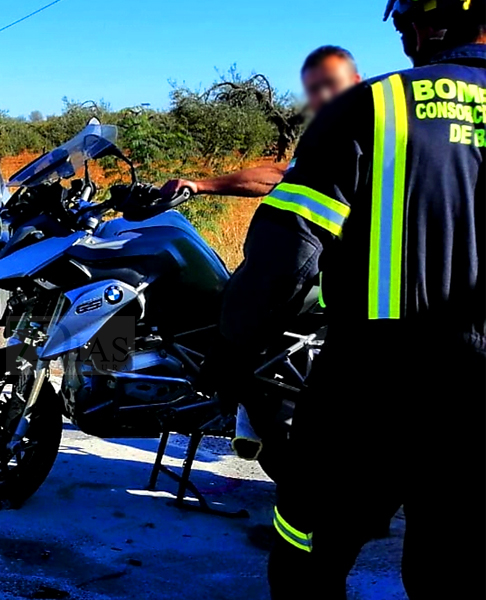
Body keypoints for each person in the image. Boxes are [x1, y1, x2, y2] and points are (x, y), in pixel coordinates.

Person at [217, 1, 485, 597]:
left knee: (306, 555)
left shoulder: (374, 108)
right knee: (452, 566)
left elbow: (288, 256)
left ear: (424, 23)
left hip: (371, 390)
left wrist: (233, 345)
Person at [162, 46, 363, 199]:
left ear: (355, 80)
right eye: (314, 89)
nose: (324, 96)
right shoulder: (326, 138)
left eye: (332, 83)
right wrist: (200, 186)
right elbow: (279, 174)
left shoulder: (371, 130)